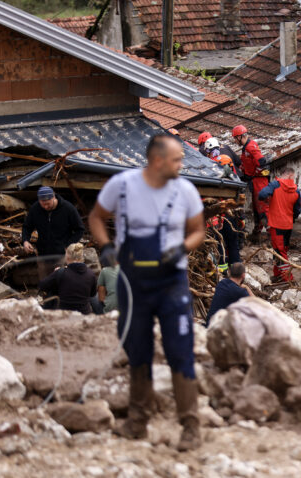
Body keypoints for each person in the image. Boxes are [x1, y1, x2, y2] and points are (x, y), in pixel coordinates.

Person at [89, 133, 206, 451]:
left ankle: (191, 427)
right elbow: (96, 218)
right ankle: (137, 423)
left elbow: (198, 231)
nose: (181, 165)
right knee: (137, 350)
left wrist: (181, 247)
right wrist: (107, 247)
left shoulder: (186, 191)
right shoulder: (123, 186)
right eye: (177, 159)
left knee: (180, 351)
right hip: (132, 283)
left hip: (171, 283)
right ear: (157, 161)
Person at [22, 186, 85, 276]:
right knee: (45, 284)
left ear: (54, 197)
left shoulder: (68, 208)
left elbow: (80, 229)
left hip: (62, 255)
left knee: (61, 282)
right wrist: (25, 240)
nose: (46, 206)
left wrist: (68, 245)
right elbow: (26, 227)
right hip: (43, 255)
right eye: (43, 204)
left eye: (48, 203)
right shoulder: (35, 209)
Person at [258, 167, 301, 281]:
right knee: (282, 249)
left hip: (276, 224)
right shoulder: (296, 190)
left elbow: (262, 194)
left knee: (280, 252)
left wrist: (268, 199)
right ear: (291, 176)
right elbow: (297, 210)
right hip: (288, 225)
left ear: (283, 174)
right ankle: (277, 274)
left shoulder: (275, 185)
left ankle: (288, 279)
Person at [38, 242, 97, 314]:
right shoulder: (91, 274)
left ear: (68, 257)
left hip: (64, 314)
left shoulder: (61, 273)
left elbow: (42, 285)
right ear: (81, 258)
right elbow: (93, 294)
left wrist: (55, 274)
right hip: (84, 313)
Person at [233, 125, 270, 238]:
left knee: (262, 209)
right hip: (254, 181)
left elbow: (262, 161)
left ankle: (272, 236)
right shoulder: (246, 149)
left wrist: (255, 173)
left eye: (235, 138)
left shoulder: (250, 147)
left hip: (259, 182)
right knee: (257, 209)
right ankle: (256, 234)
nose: (235, 141)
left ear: (240, 137)